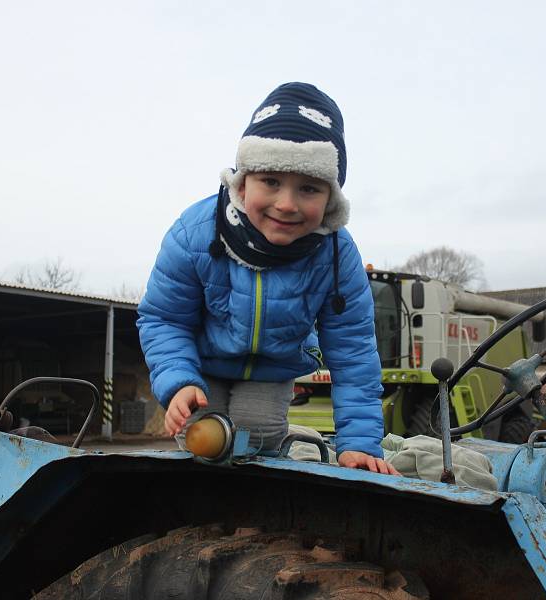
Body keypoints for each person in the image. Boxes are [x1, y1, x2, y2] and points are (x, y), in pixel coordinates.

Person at [138, 82, 398, 475]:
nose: (287, 204)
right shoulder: (194, 233)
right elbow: (164, 318)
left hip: (274, 368)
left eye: (308, 188)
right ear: (243, 182)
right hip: (202, 364)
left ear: (330, 200)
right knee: (204, 436)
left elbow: (354, 351)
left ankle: (258, 511)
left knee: (255, 434)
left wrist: (358, 444)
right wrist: (178, 381)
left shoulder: (336, 255)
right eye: (271, 182)